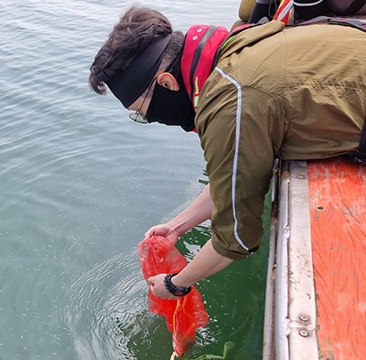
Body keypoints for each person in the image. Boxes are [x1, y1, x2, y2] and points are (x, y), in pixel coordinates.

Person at [89, 6, 366, 299]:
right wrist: (175, 227)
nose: (151, 120)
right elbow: (232, 176)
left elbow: (236, 239)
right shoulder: (235, 49)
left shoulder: (229, 101)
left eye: (143, 114)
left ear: (167, 84)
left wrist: (175, 284)